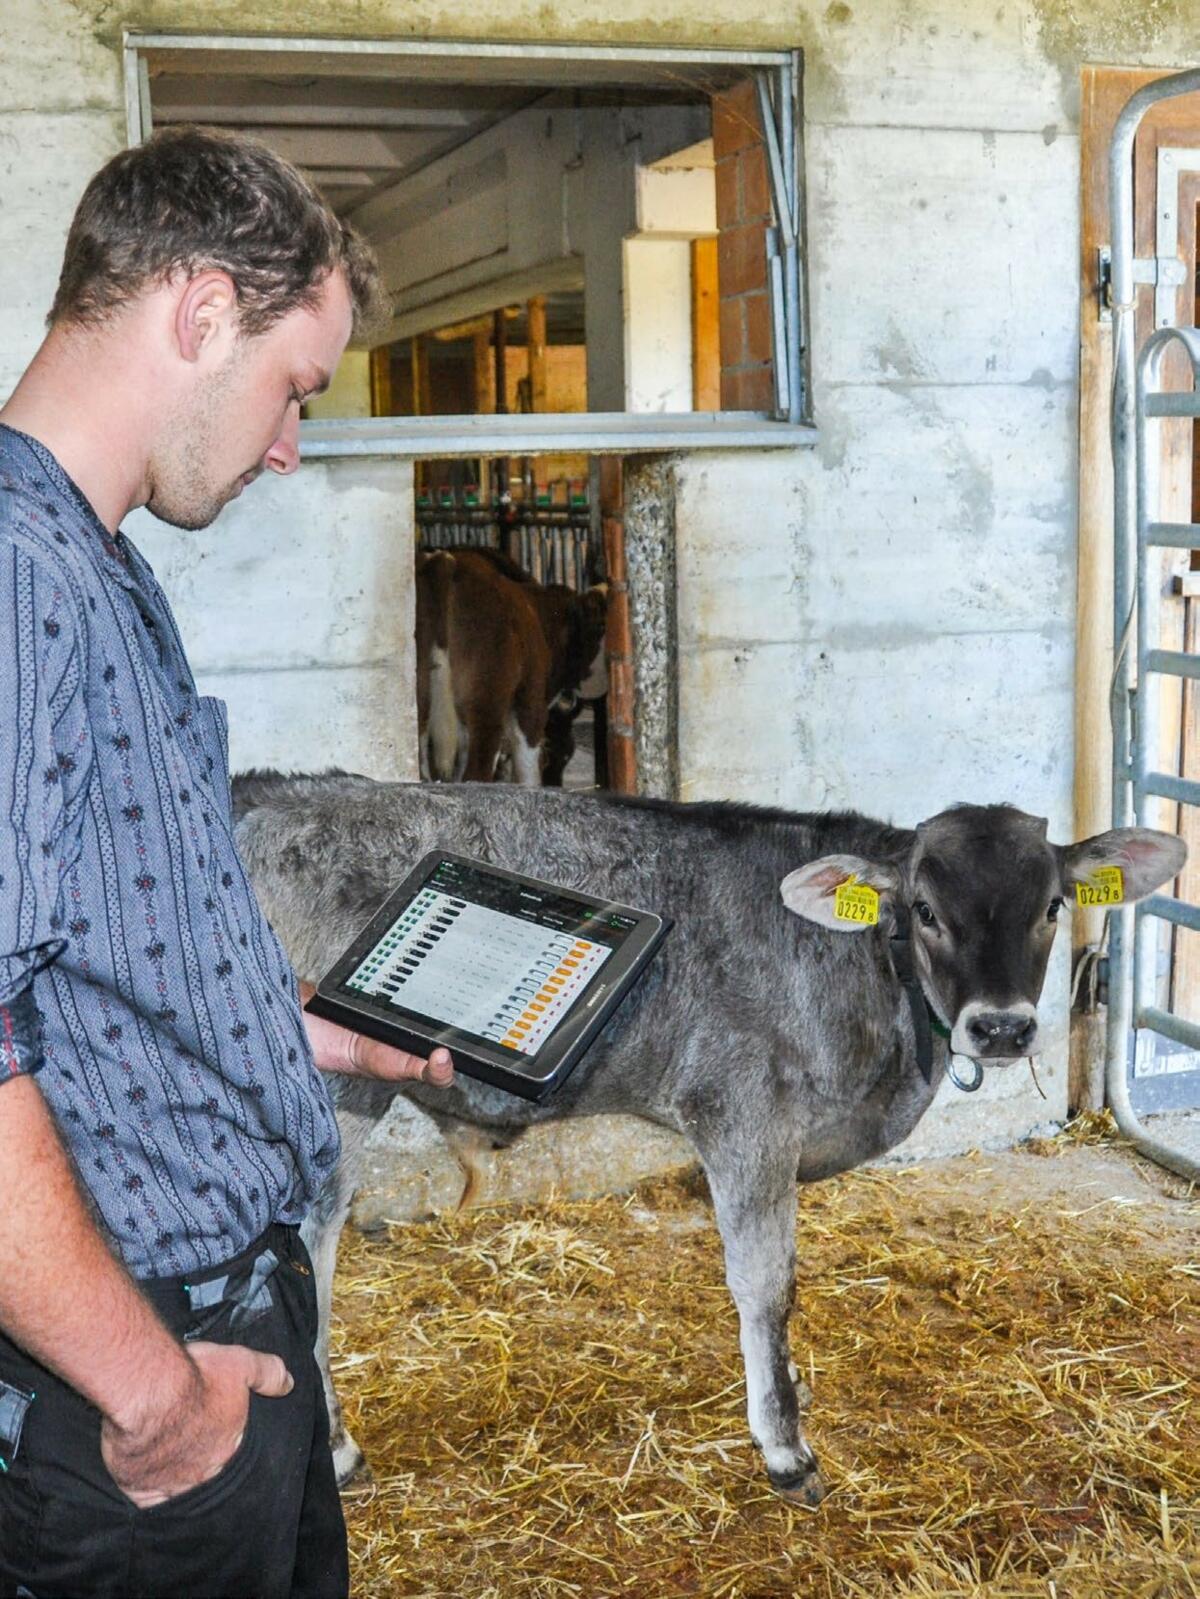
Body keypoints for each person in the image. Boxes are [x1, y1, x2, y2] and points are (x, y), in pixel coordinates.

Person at [0, 125, 453, 1599]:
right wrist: (150, 1398)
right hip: (130, 1378)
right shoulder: (20, 581)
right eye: (292, 388)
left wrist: (307, 1028)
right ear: (201, 314)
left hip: (219, 1332)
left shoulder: (92, 561)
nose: (287, 446)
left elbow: (93, 953)